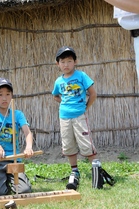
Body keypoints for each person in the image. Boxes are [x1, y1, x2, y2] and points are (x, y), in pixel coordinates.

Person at [52, 46, 98, 190]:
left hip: (79, 116)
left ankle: (96, 168)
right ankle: (74, 170)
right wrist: (65, 105)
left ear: (75, 62)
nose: (66, 64)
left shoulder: (81, 76)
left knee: (85, 142)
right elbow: (55, 95)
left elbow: (93, 94)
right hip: (64, 117)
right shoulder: (58, 81)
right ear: (57, 64)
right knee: (68, 143)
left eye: (69, 61)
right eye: (63, 61)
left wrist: (85, 108)